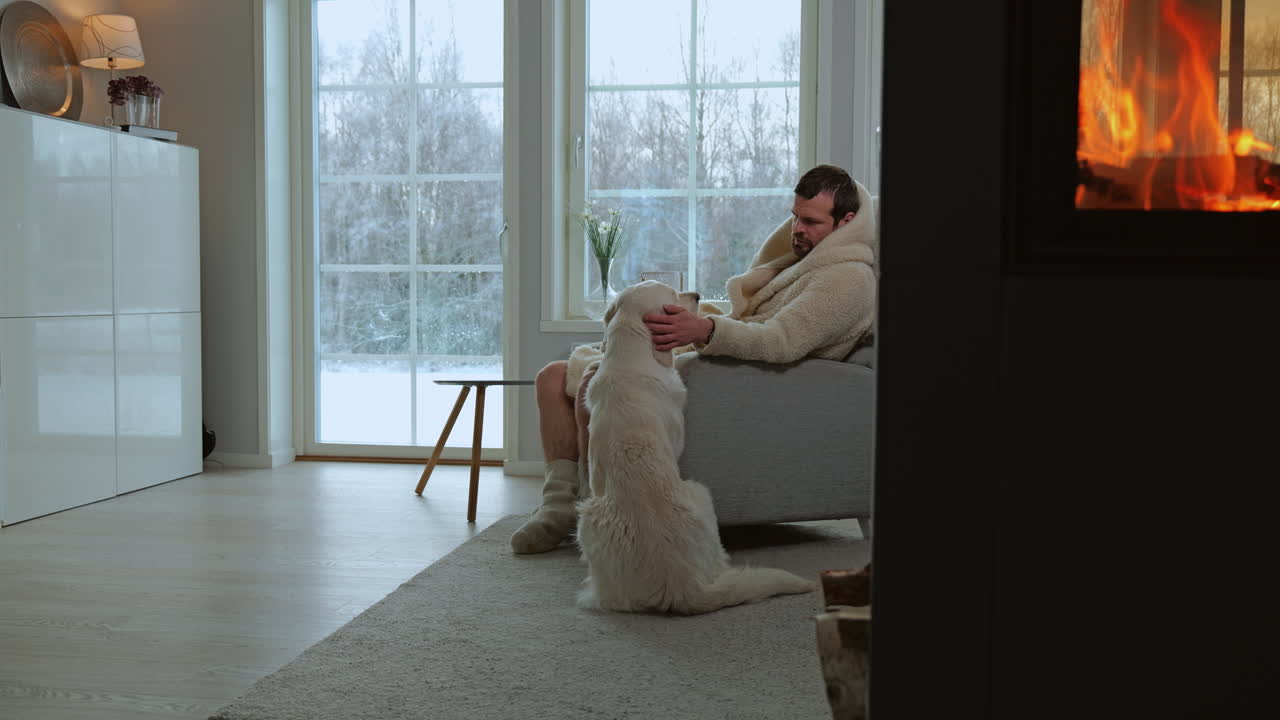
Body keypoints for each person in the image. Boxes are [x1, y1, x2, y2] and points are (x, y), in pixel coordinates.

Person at [509, 164, 877, 554]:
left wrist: (704, 331)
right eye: (795, 217)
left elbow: (781, 341)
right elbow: (754, 321)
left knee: (593, 382)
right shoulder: (807, 262)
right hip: (734, 363)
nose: (797, 230)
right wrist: (700, 324)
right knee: (551, 377)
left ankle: (598, 506)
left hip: (755, 383)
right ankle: (559, 506)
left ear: (847, 221)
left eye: (811, 221)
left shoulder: (847, 280)